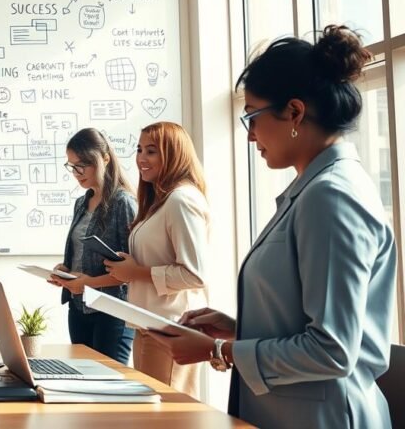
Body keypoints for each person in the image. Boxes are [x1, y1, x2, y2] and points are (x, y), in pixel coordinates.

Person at [147, 26, 396, 428]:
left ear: (295, 112)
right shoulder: (314, 189)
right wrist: (237, 330)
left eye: (253, 117)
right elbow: (308, 319)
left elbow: (332, 350)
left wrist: (219, 350)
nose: (250, 136)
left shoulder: (331, 197)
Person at [102, 121, 209, 399]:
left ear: (173, 154)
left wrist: (136, 272)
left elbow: (194, 275)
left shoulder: (181, 200)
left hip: (169, 328)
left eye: (152, 151)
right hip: (148, 325)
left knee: (167, 416)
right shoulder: (160, 201)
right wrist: (130, 266)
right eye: (139, 149)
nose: (141, 158)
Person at [45, 128, 136, 364]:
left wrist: (87, 284)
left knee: (109, 387)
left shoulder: (123, 203)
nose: (76, 172)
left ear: (104, 159)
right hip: (78, 309)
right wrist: (65, 270)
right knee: (82, 381)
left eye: (82, 164)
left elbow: (132, 272)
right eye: (72, 165)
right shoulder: (81, 203)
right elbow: (80, 255)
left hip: (112, 312)